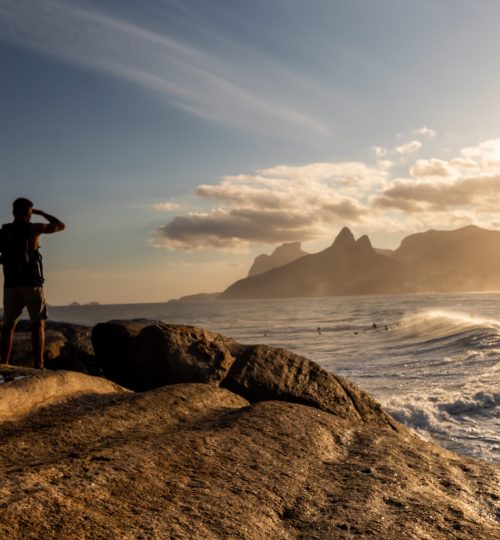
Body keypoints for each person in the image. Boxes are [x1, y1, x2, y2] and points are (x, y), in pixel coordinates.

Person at [0, 198, 65, 368]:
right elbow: (60, 225)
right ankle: (39, 365)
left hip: (11, 284)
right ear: (29, 213)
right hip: (32, 284)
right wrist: (42, 213)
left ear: (13, 212)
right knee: (37, 323)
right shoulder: (34, 228)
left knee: (8, 326)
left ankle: (4, 363)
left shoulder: (4, 230)